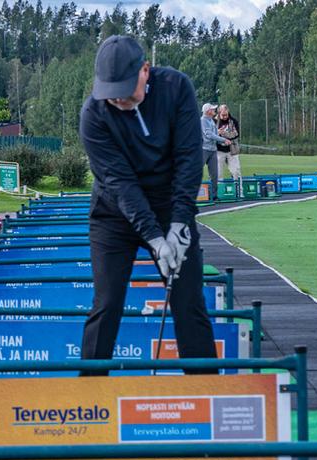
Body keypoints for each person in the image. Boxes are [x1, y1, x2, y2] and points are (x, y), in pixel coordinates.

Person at [78, 35, 217, 375]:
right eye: (112, 93)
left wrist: (180, 224)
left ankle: (208, 392)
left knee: (188, 302)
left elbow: (188, 159)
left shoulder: (176, 88)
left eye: (126, 90)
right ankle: (87, 399)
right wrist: (155, 239)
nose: (120, 101)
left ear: (145, 70)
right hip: (114, 214)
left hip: (171, 203)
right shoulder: (93, 115)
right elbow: (121, 184)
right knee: (106, 303)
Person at [200, 103, 229, 197]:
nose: (214, 110)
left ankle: (213, 195)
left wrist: (222, 142)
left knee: (214, 174)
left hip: (213, 150)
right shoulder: (203, 121)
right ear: (208, 111)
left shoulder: (212, 121)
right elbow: (209, 135)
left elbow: (215, 135)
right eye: (212, 109)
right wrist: (223, 140)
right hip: (203, 150)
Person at [216, 104, 242, 180]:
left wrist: (224, 133)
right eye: (223, 115)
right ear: (219, 113)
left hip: (232, 150)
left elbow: (236, 134)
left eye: (226, 115)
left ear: (228, 112)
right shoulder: (214, 121)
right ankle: (219, 191)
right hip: (219, 151)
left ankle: (239, 191)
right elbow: (211, 135)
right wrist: (217, 133)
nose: (225, 117)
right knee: (218, 173)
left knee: (236, 172)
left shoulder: (233, 121)